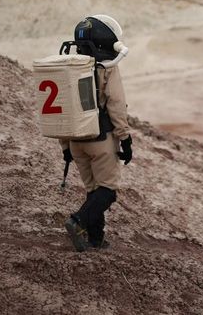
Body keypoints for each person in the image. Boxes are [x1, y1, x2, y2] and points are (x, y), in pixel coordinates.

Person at [61, 15, 133, 252]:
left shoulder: (67, 65)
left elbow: (63, 109)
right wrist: (125, 137)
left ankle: (96, 239)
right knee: (107, 192)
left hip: (74, 140)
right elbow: (116, 103)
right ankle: (77, 221)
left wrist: (65, 148)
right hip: (100, 139)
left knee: (93, 190)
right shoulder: (106, 67)